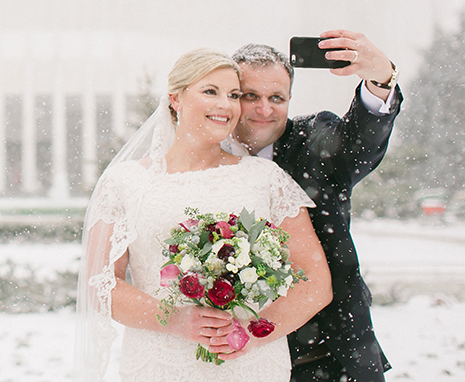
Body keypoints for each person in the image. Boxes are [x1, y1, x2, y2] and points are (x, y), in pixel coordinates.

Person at [76, 48, 332, 382]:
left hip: (250, 365)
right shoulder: (125, 182)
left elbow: (315, 281)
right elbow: (101, 284)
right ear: (175, 99)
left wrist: (253, 332)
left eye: (235, 95)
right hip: (158, 365)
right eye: (210, 91)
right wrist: (175, 319)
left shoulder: (266, 178)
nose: (226, 105)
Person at [232, 30, 402, 382]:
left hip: (325, 358)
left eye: (276, 97)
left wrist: (381, 77)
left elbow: (361, 141)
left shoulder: (316, 141)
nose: (265, 109)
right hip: (231, 360)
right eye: (251, 96)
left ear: (291, 98)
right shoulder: (204, 159)